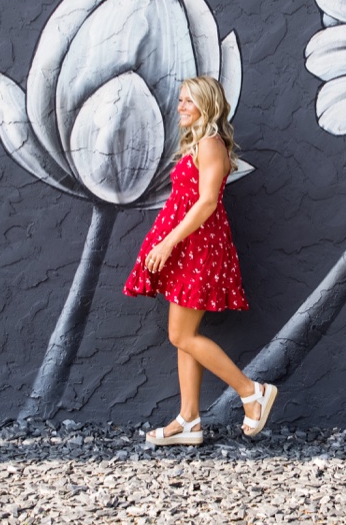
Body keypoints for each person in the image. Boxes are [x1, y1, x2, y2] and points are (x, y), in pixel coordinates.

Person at [123, 75, 277, 446]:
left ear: (206, 105)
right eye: (180, 100)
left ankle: (251, 391)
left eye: (188, 101)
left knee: (180, 334)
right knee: (185, 337)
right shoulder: (200, 144)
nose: (180, 107)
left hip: (198, 248)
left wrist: (168, 244)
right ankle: (189, 420)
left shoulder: (210, 144)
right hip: (189, 248)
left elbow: (207, 202)